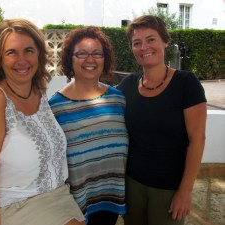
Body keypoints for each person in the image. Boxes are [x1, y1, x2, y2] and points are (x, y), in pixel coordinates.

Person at [0, 18, 86, 225]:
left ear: (39, 54)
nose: (22, 60)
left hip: (60, 197)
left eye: (29, 50)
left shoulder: (39, 93)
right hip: (18, 205)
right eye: (11, 52)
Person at [117, 15, 207, 225]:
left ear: (165, 41)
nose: (144, 47)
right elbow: (101, 103)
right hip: (132, 185)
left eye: (151, 39)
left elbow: (197, 140)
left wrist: (185, 191)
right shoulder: (127, 85)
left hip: (169, 189)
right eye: (136, 43)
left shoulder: (186, 83)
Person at [49, 26, 129, 225]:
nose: (90, 59)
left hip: (111, 196)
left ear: (105, 59)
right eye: (82, 53)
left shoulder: (118, 99)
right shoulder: (56, 107)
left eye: (97, 53)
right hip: (76, 204)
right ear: (70, 59)